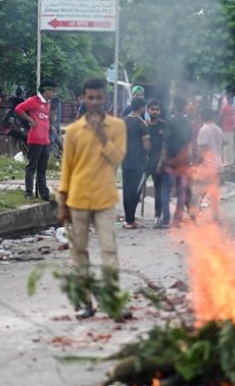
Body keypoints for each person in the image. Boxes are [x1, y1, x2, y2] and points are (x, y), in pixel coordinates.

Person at [57, 78, 128, 320]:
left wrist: (101, 134)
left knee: (109, 251)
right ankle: (86, 303)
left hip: (105, 199)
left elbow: (117, 158)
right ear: (83, 99)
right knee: (79, 254)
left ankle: (112, 301)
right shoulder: (74, 131)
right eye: (91, 98)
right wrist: (61, 201)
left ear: (105, 99)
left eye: (99, 98)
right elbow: (66, 167)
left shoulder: (117, 126)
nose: (95, 102)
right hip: (77, 199)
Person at [15, 80, 58, 201]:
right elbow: (19, 109)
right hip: (35, 139)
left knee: (42, 168)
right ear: (46, 90)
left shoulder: (47, 104)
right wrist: (30, 120)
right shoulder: (33, 100)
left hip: (45, 140)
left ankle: (44, 194)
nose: (55, 94)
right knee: (31, 167)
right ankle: (28, 193)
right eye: (53, 91)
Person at [156, 97, 192, 229]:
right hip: (183, 162)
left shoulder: (170, 122)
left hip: (170, 162)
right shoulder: (188, 122)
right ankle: (177, 220)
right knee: (181, 191)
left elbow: (166, 143)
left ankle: (166, 219)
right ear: (184, 107)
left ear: (175, 107)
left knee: (166, 190)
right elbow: (190, 143)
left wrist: (160, 161)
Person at [121, 97, 150, 229]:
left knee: (127, 190)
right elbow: (146, 145)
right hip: (139, 162)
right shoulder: (141, 124)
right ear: (142, 107)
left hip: (125, 161)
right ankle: (130, 220)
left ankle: (128, 219)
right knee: (135, 191)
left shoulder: (123, 121)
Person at [192, 108, 224, 220]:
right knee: (214, 192)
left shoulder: (204, 130)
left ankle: (193, 214)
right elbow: (221, 146)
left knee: (197, 190)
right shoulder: (218, 129)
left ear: (201, 116)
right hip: (218, 166)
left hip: (207, 166)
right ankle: (216, 217)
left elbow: (202, 150)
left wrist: (197, 164)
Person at [145, 100, 167, 224]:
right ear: (148, 110)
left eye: (157, 109)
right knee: (136, 186)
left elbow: (165, 145)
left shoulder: (164, 125)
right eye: (152, 109)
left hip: (159, 162)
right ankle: (130, 216)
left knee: (158, 189)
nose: (154, 111)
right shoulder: (144, 125)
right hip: (146, 161)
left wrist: (161, 162)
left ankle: (158, 215)